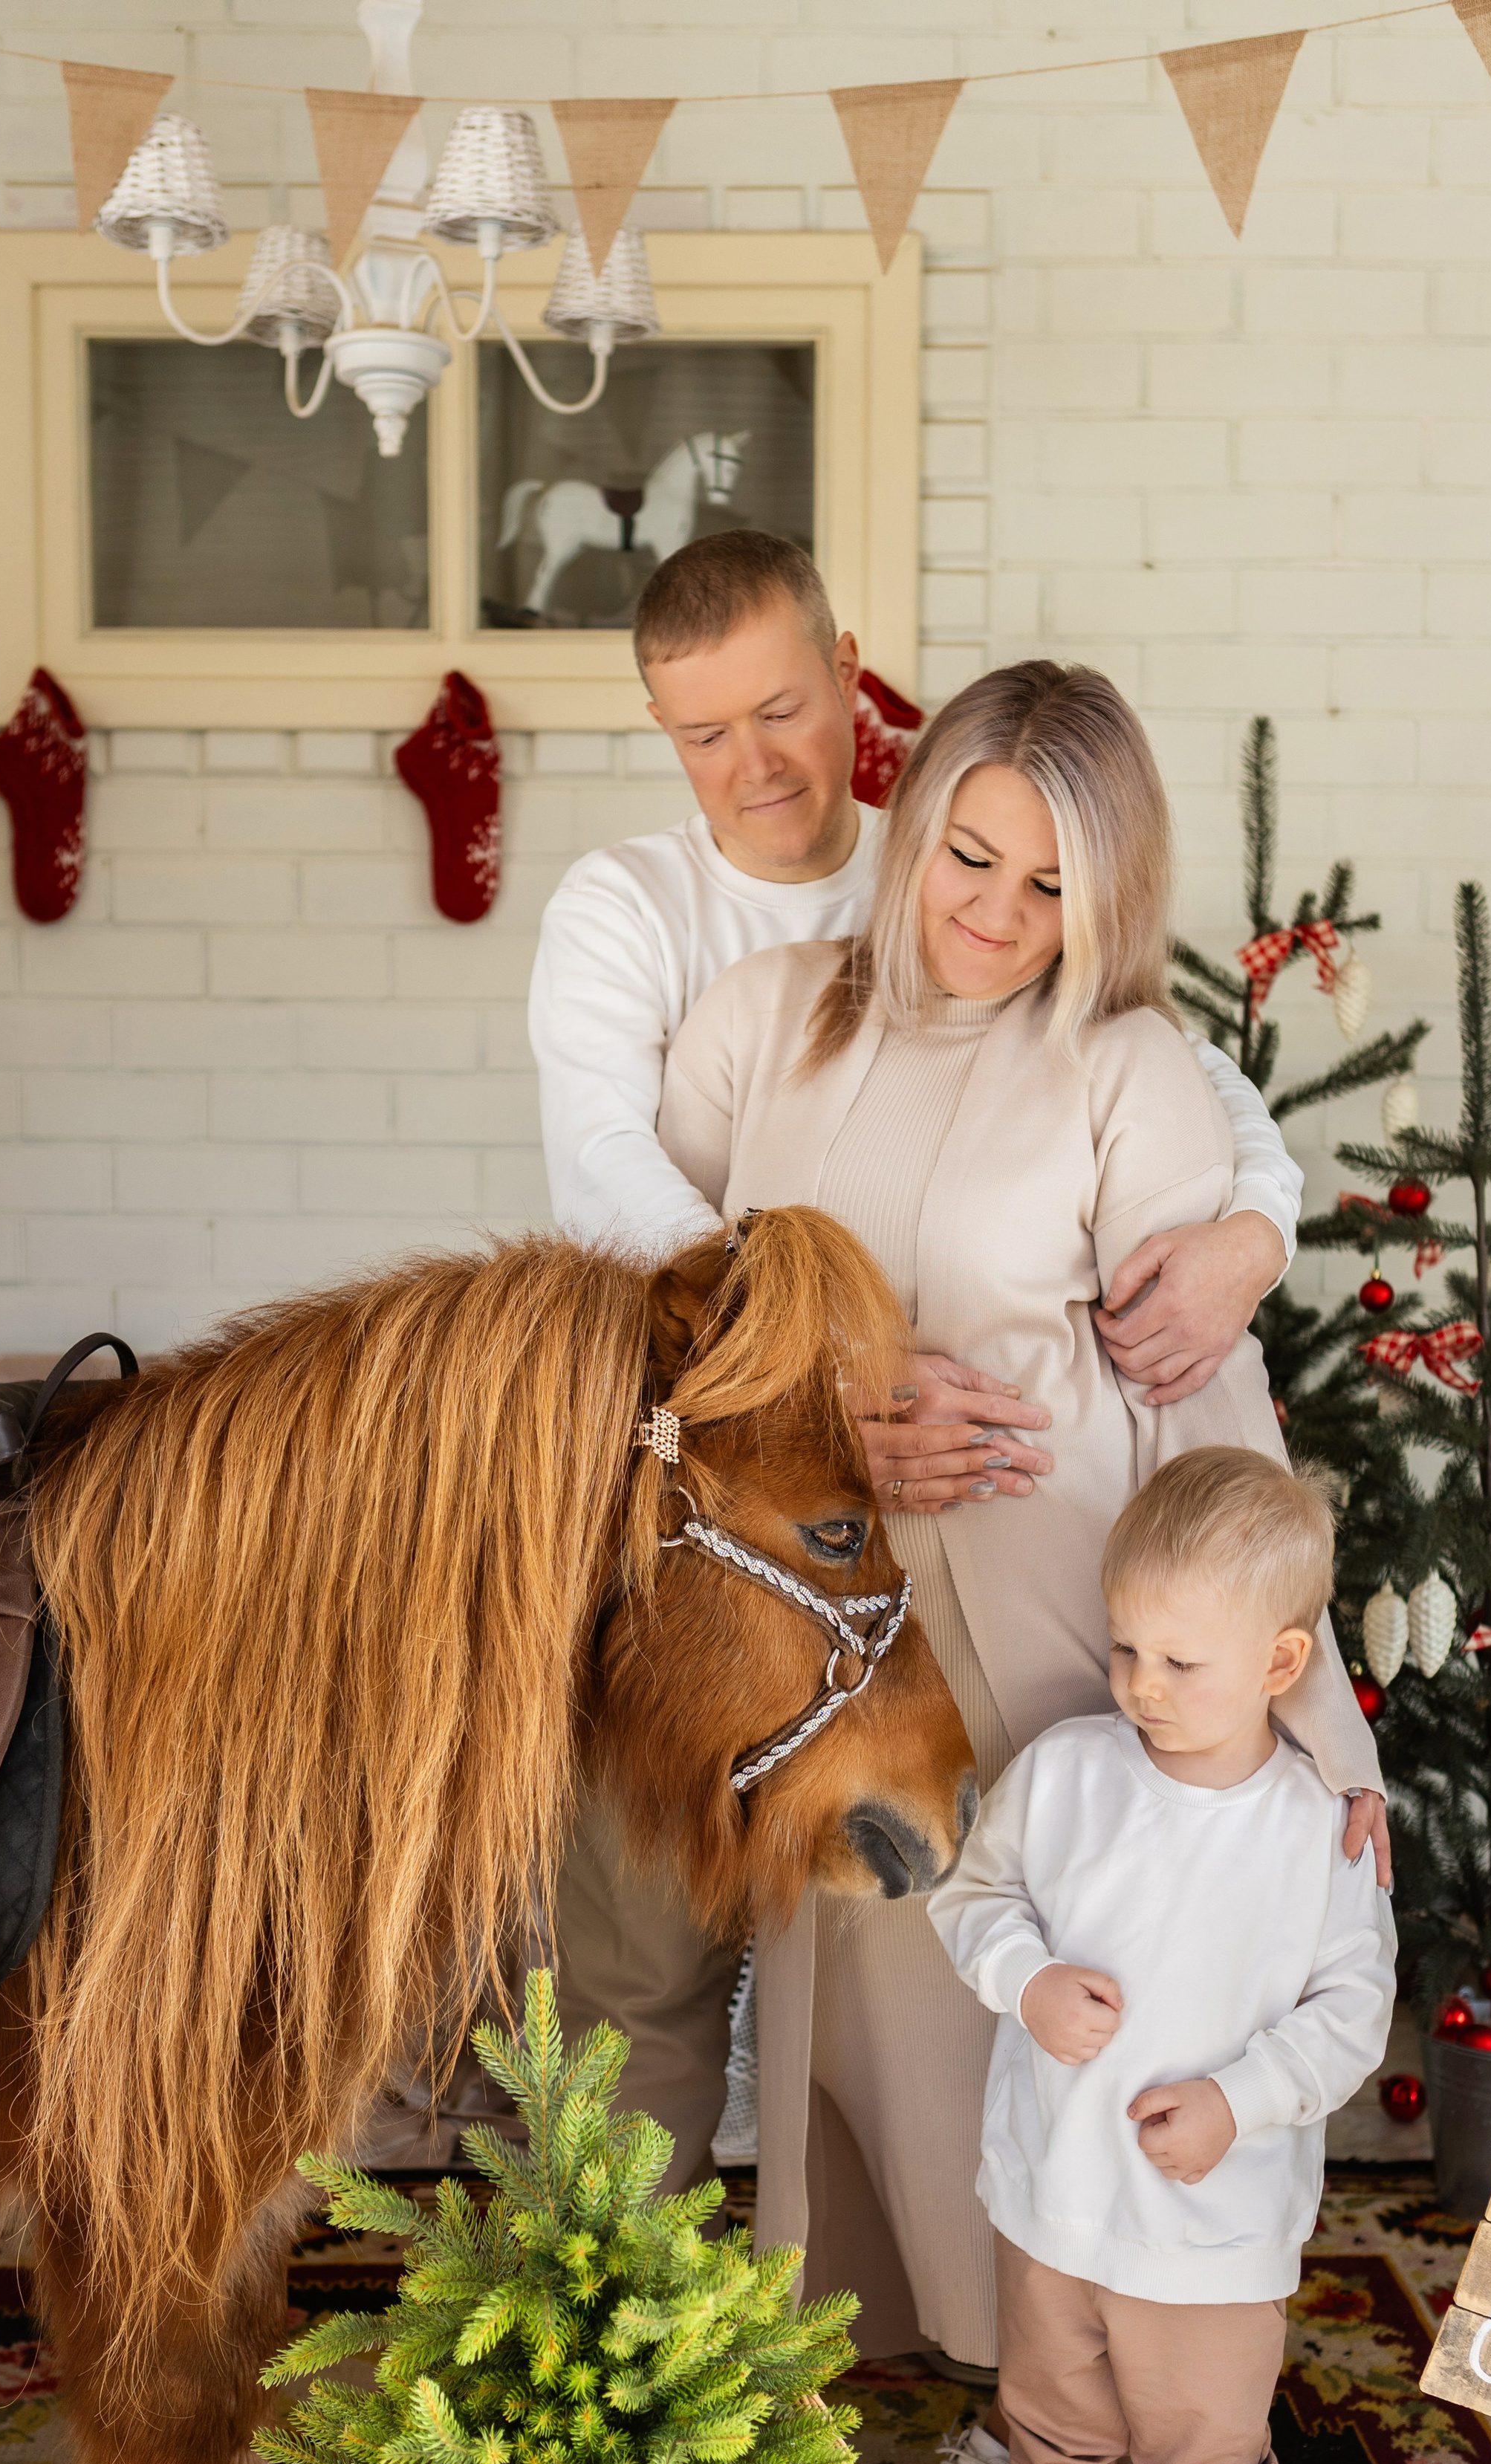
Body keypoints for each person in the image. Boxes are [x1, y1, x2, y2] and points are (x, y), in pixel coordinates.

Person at [654, 656, 1387, 2464]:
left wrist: (1327, 1735)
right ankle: (1002, 2403)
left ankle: (1044, 2440)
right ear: (914, 818)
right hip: (827, 1635)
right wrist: (834, 1413)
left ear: (1107, 904)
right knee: (887, 2030)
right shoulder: (759, 1036)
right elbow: (675, 1333)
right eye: (969, 852)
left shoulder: (1127, 1074)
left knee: (1056, 2023)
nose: (991, 910)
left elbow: (1203, 1399)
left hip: (1059, 1639)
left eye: (1050, 886)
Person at [528, 533, 1325, 2201]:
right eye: (702, 733)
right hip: (747, 1564)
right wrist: (828, 1408)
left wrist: (1252, 1234)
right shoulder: (682, 946)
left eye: (781, 708)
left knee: (998, 2004)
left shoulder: (1032, 949)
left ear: (846, 675)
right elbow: (619, 1220)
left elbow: (1196, 1190)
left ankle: (1030, 2423)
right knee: (673, 1996)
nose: (752, 764)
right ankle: (625, 2390)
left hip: (987, 1617)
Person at [926, 1448, 1396, 2464]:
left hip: (1208, 2231)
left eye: (1182, 1664)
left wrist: (1240, 2100)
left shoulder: (1318, 1835)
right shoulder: (1070, 1772)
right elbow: (977, 1900)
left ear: (1280, 1662)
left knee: (1203, 2451)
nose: (1141, 1687)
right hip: (1056, 2202)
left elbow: (1352, 2012)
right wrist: (1027, 1981)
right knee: (1054, 2422)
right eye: (1129, 1647)